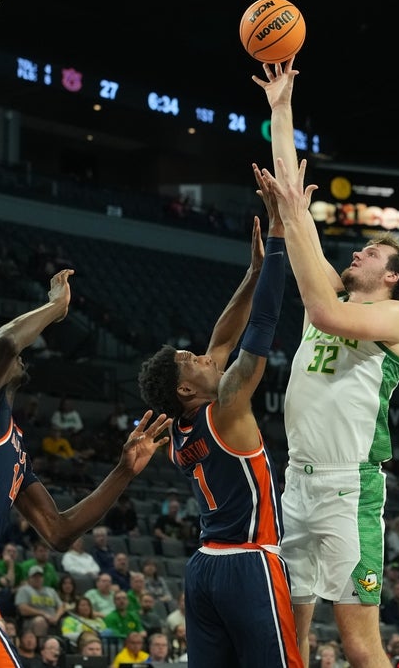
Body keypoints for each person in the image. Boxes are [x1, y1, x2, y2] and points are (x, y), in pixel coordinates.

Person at [0, 270, 170, 668]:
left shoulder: (11, 442)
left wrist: (124, 471)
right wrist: (55, 307)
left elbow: (59, 531)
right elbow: (7, 341)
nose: (12, 346)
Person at [255, 60, 399, 668]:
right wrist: (280, 108)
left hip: (350, 487)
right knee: (289, 636)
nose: (358, 252)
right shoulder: (333, 291)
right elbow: (293, 203)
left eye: (371, 252)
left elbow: (322, 312)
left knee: (358, 645)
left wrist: (296, 222)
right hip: (297, 480)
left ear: (393, 276)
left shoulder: (396, 317)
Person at [138, 172, 301, 668]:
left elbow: (222, 339)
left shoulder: (182, 430)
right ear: (186, 390)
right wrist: (278, 235)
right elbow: (262, 326)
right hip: (249, 562)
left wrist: (252, 273)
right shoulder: (226, 408)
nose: (204, 356)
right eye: (191, 360)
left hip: (204, 568)